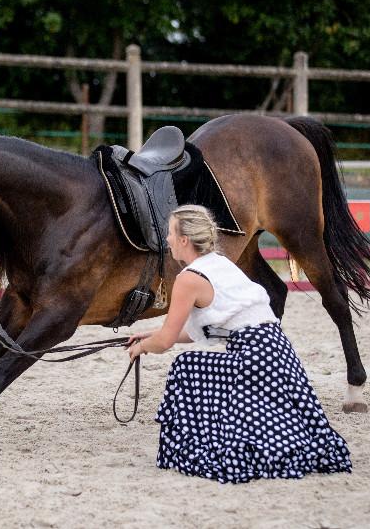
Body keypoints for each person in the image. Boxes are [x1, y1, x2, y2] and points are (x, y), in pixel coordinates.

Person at [126, 204, 352, 484]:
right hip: (278, 351)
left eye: (171, 233)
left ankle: (196, 448)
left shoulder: (188, 279)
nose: (168, 239)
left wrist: (143, 347)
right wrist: (150, 335)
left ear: (184, 240)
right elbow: (207, 328)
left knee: (186, 366)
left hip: (251, 356)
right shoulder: (220, 264)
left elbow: (167, 341)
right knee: (198, 364)